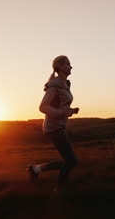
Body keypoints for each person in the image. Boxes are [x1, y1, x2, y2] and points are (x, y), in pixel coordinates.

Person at [27, 55, 80, 191]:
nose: (71, 66)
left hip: (59, 126)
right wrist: (63, 113)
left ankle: (36, 169)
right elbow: (43, 107)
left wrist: (70, 110)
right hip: (53, 128)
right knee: (71, 161)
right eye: (68, 64)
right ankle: (60, 188)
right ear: (60, 67)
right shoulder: (54, 85)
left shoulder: (65, 84)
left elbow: (59, 105)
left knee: (69, 160)